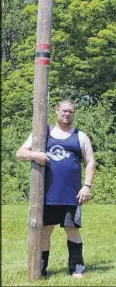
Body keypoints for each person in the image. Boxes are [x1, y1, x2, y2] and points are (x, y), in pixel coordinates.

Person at [16, 99, 95, 279]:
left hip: (72, 195)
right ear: (57, 110)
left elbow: (90, 162)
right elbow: (20, 153)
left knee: (72, 230)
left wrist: (87, 186)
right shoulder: (43, 133)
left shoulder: (80, 136)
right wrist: (35, 154)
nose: (67, 114)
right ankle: (41, 269)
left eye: (71, 112)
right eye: (64, 111)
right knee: (44, 230)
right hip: (46, 195)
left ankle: (77, 268)